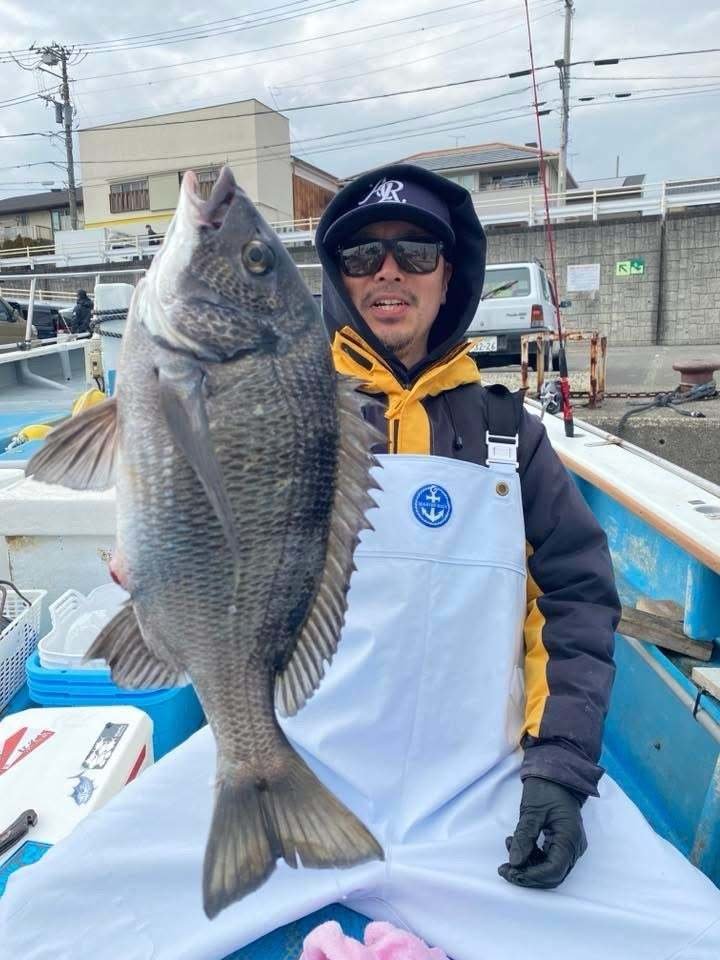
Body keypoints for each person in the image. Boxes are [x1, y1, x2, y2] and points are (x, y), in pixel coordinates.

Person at [2, 165, 719, 960]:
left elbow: (577, 601)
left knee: (698, 936)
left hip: (480, 793)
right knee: (33, 921)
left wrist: (559, 767)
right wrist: (159, 565)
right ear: (338, 280)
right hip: (296, 754)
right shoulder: (290, 406)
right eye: (361, 256)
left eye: (416, 253)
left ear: (449, 275)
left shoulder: (510, 435)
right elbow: (181, 509)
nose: (388, 272)